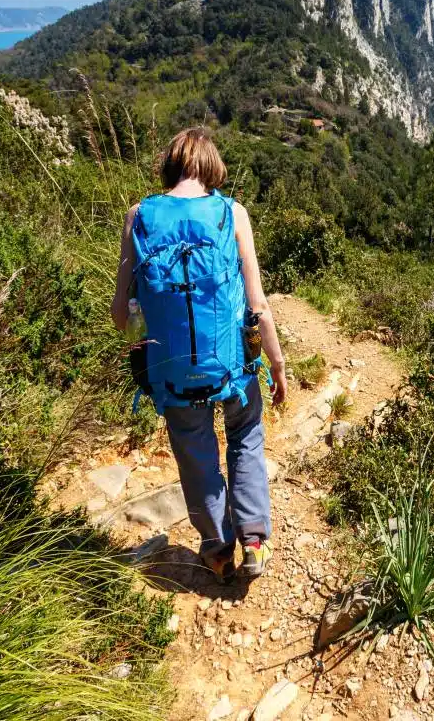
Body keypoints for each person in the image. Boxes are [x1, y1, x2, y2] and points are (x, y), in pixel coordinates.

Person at [111, 127, 287, 581]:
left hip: (169, 373)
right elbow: (259, 306)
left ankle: (217, 548)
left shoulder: (139, 216)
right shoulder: (231, 213)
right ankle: (253, 542)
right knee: (245, 435)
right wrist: (278, 365)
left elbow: (119, 313)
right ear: (211, 168)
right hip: (232, 366)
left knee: (194, 453)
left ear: (170, 165)